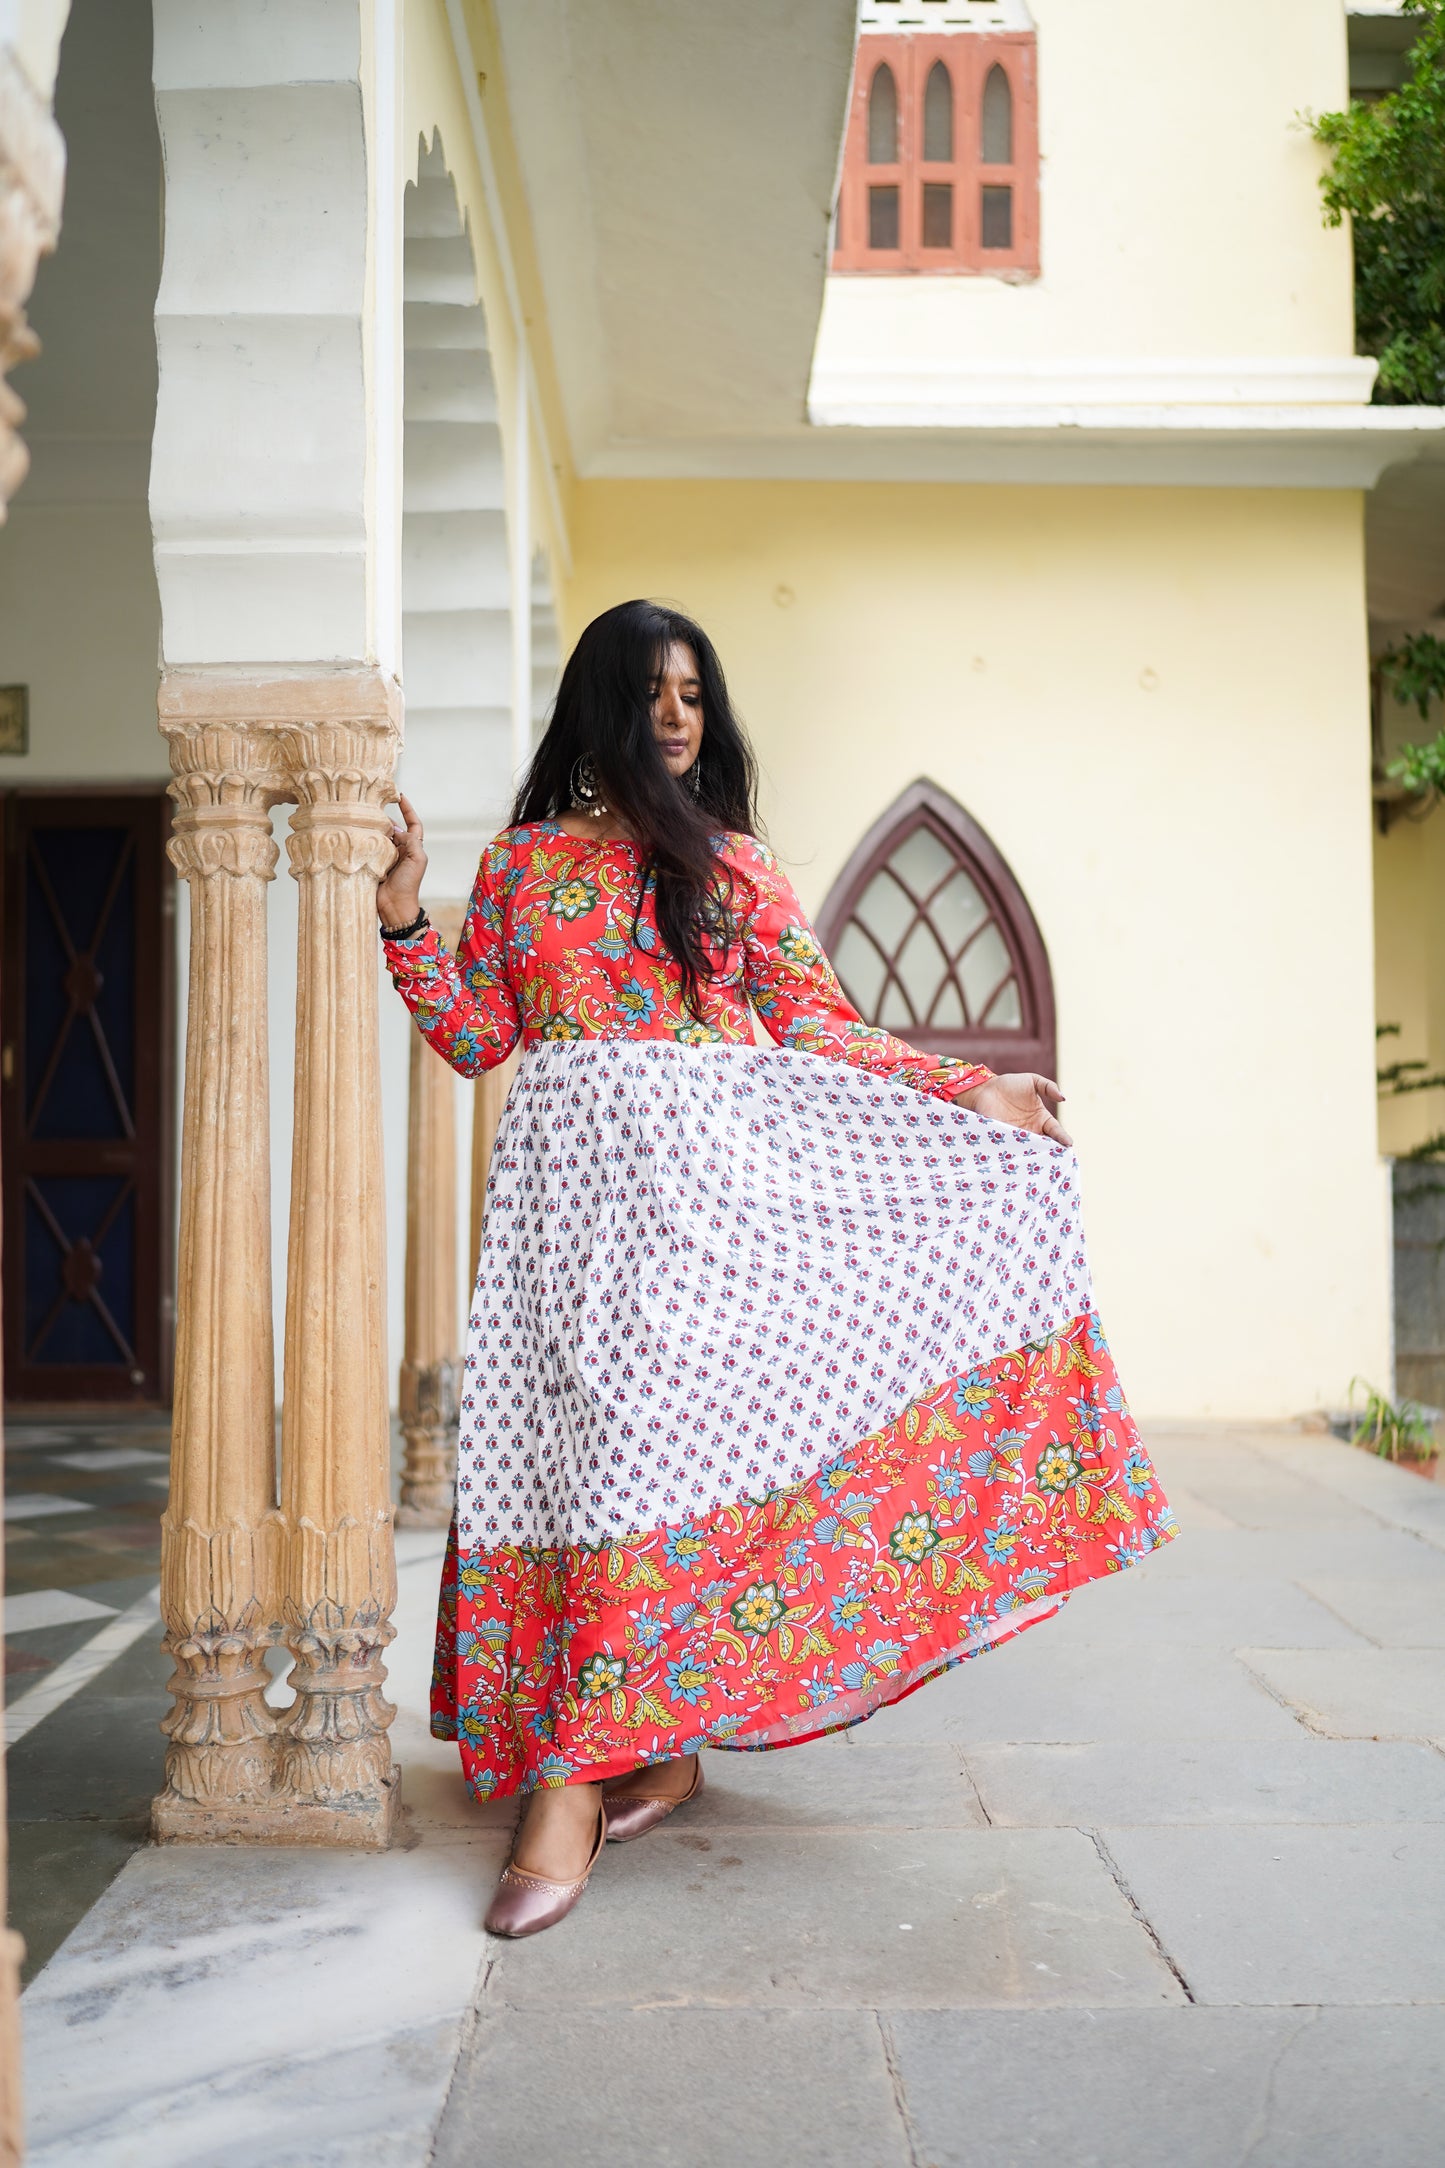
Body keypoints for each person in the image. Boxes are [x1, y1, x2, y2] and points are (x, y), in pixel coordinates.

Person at [377, 598, 1175, 1937]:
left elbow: (813, 1024)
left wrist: (966, 1094)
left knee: (645, 1459)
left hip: (706, 1214)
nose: (679, 715)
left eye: (694, 692)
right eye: (651, 692)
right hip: (558, 1228)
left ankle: (568, 1791)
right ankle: (667, 1749)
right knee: (576, 1475)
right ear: (600, 710)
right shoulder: (519, 871)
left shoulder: (732, 867)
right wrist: (403, 919)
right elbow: (476, 1041)